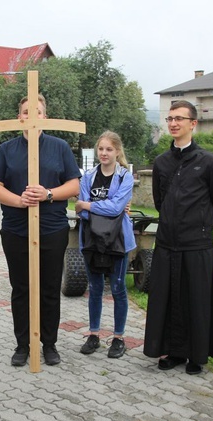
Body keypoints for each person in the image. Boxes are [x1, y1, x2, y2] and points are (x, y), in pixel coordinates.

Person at [0, 94, 81, 366]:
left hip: (52, 229)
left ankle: (49, 343)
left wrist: (48, 194)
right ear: (19, 117)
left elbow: (74, 186)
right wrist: (20, 200)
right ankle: (23, 344)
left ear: (45, 115)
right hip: (16, 229)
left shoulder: (59, 147)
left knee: (50, 288)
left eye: (37, 111)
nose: (31, 116)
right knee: (21, 288)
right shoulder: (7, 149)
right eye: (26, 111)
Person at [143, 100, 213, 375]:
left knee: (197, 300)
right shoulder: (161, 162)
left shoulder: (208, 162)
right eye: (169, 119)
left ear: (193, 123)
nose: (173, 123)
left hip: (197, 245)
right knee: (168, 299)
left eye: (179, 119)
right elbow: (160, 200)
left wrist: (199, 228)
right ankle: (174, 351)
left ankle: (196, 355)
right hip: (167, 243)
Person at [75, 131, 135, 358]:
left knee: (119, 288)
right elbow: (82, 214)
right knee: (96, 289)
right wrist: (94, 209)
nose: (104, 153)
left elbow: (116, 208)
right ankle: (93, 335)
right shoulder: (88, 177)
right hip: (92, 239)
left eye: (109, 149)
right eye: (101, 149)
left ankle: (119, 338)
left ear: (117, 151)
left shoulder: (124, 177)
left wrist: (88, 205)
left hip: (118, 240)